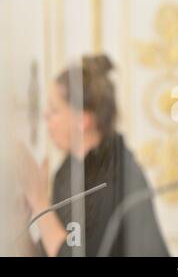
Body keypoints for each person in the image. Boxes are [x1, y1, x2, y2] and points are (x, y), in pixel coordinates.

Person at [19, 55, 169, 257]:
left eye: (54, 110)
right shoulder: (67, 172)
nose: (45, 116)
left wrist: (39, 203)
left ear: (82, 120)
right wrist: (19, 224)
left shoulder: (117, 176)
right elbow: (51, 250)